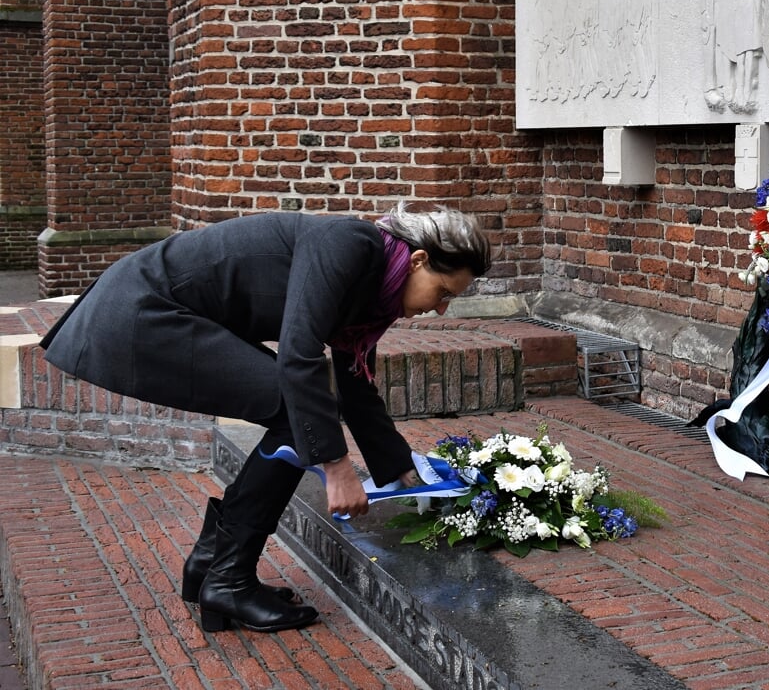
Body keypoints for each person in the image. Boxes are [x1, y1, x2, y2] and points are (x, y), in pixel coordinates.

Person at [39, 204, 492, 633]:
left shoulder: (376, 286)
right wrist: (336, 468)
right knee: (295, 407)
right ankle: (229, 579)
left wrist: (400, 468)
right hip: (144, 310)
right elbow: (298, 355)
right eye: (444, 293)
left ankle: (212, 561)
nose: (440, 308)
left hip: (156, 309)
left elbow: (354, 381)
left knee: (301, 407)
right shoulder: (351, 243)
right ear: (417, 260)